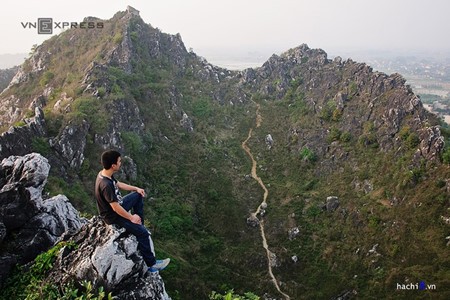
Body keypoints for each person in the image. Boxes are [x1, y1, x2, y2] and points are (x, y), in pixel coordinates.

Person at [94, 150, 170, 272]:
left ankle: (139, 223)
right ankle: (152, 264)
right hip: (113, 216)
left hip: (118, 206)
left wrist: (136, 189)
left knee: (138, 195)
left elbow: (118, 184)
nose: (120, 163)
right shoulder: (105, 185)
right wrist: (131, 217)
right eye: (119, 161)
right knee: (143, 233)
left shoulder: (105, 174)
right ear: (113, 165)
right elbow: (115, 208)